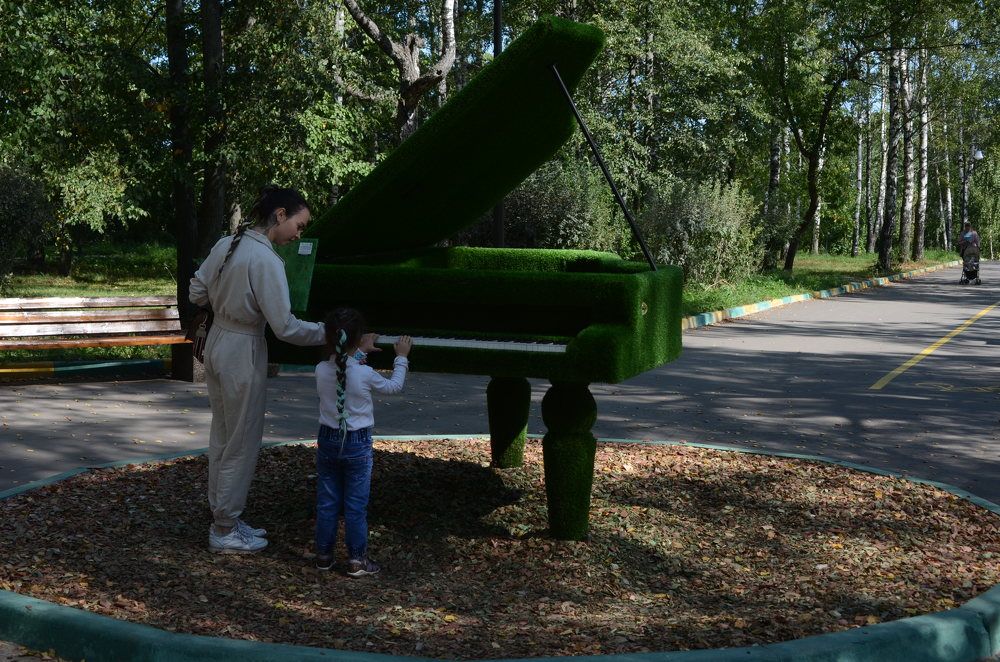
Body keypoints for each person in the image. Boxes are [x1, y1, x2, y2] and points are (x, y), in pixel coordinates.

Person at [189, 185, 327, 554]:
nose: (300, 234)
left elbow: (196, 292)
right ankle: (223, 528)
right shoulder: (265, 260)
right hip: (243, 348)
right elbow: (286, 327)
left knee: (223, 434)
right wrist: (330, 333)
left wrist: (225, 305)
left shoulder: (227, 243)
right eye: (299, 224)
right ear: (280, 215)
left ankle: (225, 517)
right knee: (241, 441)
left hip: (218, 341)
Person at [314, 308, 411, 577]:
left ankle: (324, 556)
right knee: (356, 506)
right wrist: (401, 358)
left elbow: (344, 368)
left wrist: (360, 352)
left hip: (328, 440)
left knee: (327, 503)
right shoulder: (364, 374)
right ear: (357, 338)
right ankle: (356, 560)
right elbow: (394, 386)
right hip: (357, 444)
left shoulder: (321, 369)